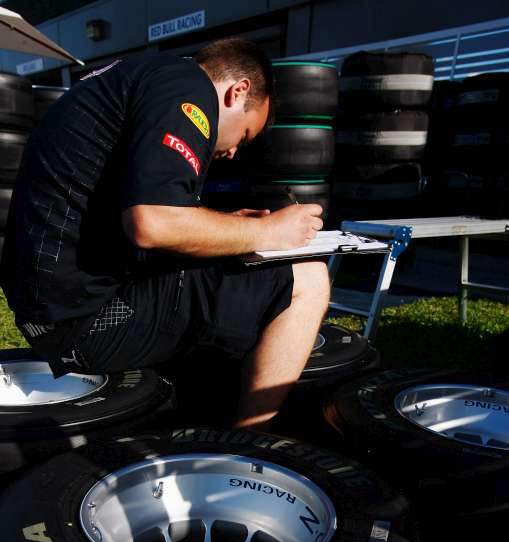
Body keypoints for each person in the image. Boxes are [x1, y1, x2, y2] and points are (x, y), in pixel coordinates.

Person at [0, 38, 329, 430]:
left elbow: (137, 214)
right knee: (308, 277)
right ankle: (247, 445)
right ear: (237, 91)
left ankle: (200, 406)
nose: (233, 153)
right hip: (88, 323)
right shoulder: (189, 87)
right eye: (244, 135)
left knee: (230, 266)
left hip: (51, 312)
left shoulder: (144, 77)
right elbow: (152, 223)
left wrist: (234, 227)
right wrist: (268, 230)